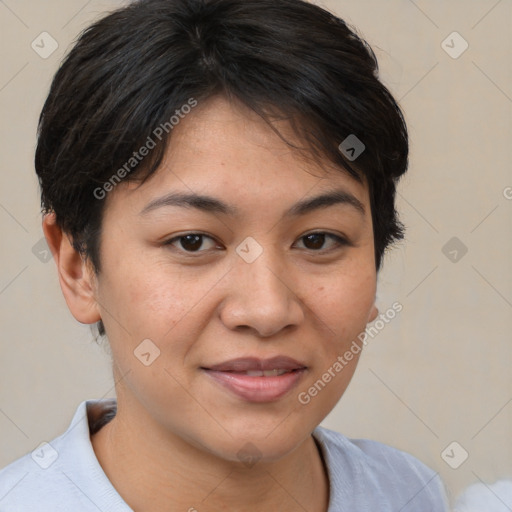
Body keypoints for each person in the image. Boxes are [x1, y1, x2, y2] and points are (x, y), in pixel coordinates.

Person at [0, 0, 449, 510]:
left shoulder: (414, 494)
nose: (266, 310)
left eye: (318, 239)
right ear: (78, 267)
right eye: (192, 241)